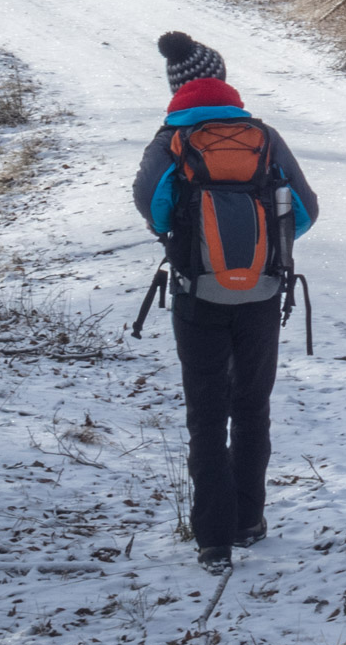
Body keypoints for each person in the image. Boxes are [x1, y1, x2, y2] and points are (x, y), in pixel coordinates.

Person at [133, 32, 319, 573]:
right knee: (252, 407)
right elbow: (304, 212)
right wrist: (259, 253)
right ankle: (249, 522)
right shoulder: (262, 137)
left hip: (197, 294)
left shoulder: (170, 140)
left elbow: (154, 209)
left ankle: (213, 537)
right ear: (223, 80)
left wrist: (191, 240)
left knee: (207, 415)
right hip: (262, 293)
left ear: (177, 88)